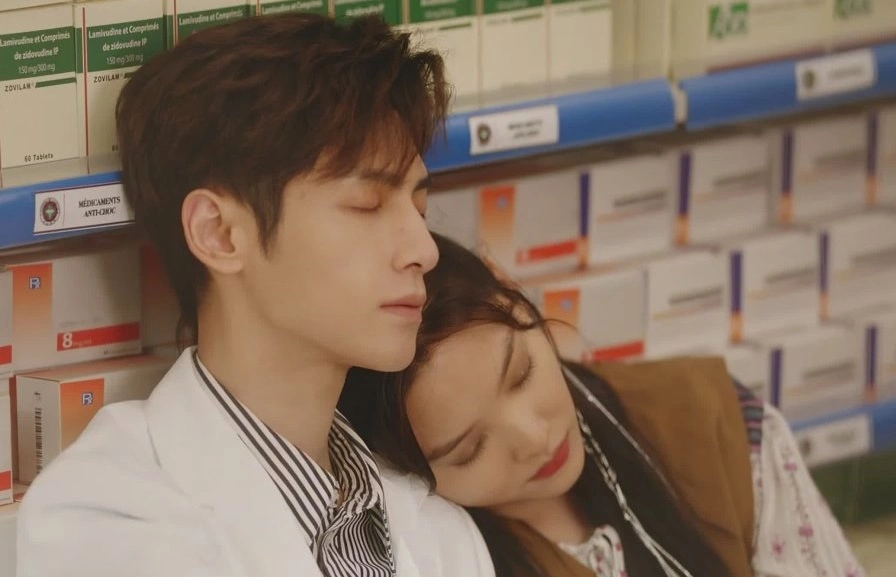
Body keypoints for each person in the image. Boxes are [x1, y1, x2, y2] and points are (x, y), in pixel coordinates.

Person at [17, 14, 494, 577]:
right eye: (367, 205)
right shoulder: (107, 525)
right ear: (219, 234)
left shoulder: (436, 530)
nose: (425, 250)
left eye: (418, 207)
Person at [340, 233, 867, 577]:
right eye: (470, 450)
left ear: (508, 285)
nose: (534, 438)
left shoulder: (714, 419)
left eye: (522, 374)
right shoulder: (425, 554)